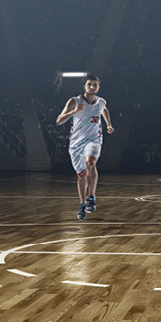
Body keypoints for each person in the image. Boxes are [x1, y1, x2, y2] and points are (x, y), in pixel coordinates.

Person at [56, 74, 113, 221]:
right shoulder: (74, 101)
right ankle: (82, 204)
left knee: (90, 163)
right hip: (76, 143)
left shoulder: (101, 102)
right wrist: (74, 112)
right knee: (81, 175)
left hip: (94, 140)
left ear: (98, 87)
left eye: (95, 85)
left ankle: (91, 197)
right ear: (84, 86)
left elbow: (104, 110)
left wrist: (108, 124)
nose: (92, 87)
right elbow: (59, 121)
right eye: (89, 84)